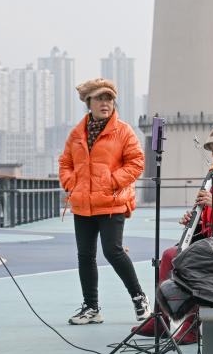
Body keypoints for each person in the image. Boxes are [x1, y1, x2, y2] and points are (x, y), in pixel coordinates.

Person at [134, 122, 213, 342]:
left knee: (187, 259)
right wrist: (195, 219)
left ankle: (191, 326)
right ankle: (161, 319)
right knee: (168, 256)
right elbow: (211, 211)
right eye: (212, 150)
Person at [60, 78, 150, 326]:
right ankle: (91, 308)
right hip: (83, 203)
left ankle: (139, 298)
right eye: (100, 98)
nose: (105, 103)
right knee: (85, 255)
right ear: (88, 102)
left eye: (109, 99)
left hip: (111, 202)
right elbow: (65, 162)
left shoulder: (123, 131)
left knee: (113, 251)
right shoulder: (77, 133)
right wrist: (70, 183)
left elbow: (136, 162)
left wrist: (112, 181)